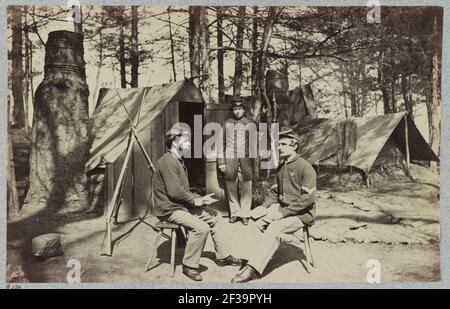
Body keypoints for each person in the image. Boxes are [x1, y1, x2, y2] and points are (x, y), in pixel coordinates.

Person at [153, 125, 244, 281]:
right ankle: (189, 265)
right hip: (169, 210)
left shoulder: (178, 161)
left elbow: (183, 190)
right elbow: (175, 192)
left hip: (181, 206)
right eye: (186, 140)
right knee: (201, 228)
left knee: (215, 217)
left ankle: (223, 257)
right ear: (174, 141)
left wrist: (200, 199)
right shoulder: (168, 162)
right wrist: (196, 201)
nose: (189, 144)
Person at [231, 130, 317, 283]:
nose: (280, 147)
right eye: (279, 144)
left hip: (301, 215)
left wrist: (283, 213)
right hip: (284, 211)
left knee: (274, 228)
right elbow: (275, 193)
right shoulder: (281, 167)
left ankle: (253, 269)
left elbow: (307, 200)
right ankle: (248, 260)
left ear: (294, 146)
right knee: (254, 222)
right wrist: (264, 207)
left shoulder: (305, 168)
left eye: (284, 144)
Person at [217, 99, 258, 225]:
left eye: (239, 109)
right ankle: (235, 213)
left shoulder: (250, 124)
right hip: (230, 160)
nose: (237, 112)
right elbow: (220, 144)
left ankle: (245, 214)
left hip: (246, 162)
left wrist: (255, 164)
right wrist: (221, 162)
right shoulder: (226, 124)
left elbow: (254, 146)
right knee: (230, 187)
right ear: (232, 111)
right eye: (235, 109)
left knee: (246, 188)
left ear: (243, 110)